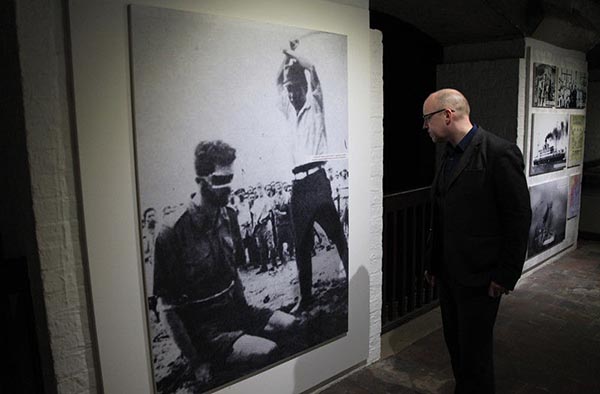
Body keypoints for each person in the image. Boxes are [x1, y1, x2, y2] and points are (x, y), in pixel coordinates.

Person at [153, 140, 295, 387]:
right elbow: (168, 308)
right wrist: (196, 360)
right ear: (201, 180)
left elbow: (234, 275)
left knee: (293, 325)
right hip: (206, 331)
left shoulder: (228, 217)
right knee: (269, 351)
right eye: (221, 180)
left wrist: (248, 316)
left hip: (237, 313)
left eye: (231, 178)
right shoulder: (172, 232)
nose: (229, 187)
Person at [422, 89, 531, 393]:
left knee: (476, 354)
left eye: (427, 119)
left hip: (481, 277)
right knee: (456, 347)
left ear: (447, 115)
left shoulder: (499, 152)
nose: (425, 127)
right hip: (449, 274)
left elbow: (518, 216)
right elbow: (442, 214)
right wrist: (432, 262)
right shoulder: (449, 155)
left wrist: (506, 274)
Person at [276, 44, 349, 313]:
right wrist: (285, 57)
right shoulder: (287, 112)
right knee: (301, 245)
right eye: (289, 89)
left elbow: (314, 70)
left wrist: (293, 54)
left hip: (318, 181)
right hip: (298, 186)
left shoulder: (315, 106)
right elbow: (277, 83)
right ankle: (306, 298)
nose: (293, 93)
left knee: (337, 236)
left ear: (305, 88)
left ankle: (352, 279)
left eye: (297, 87)